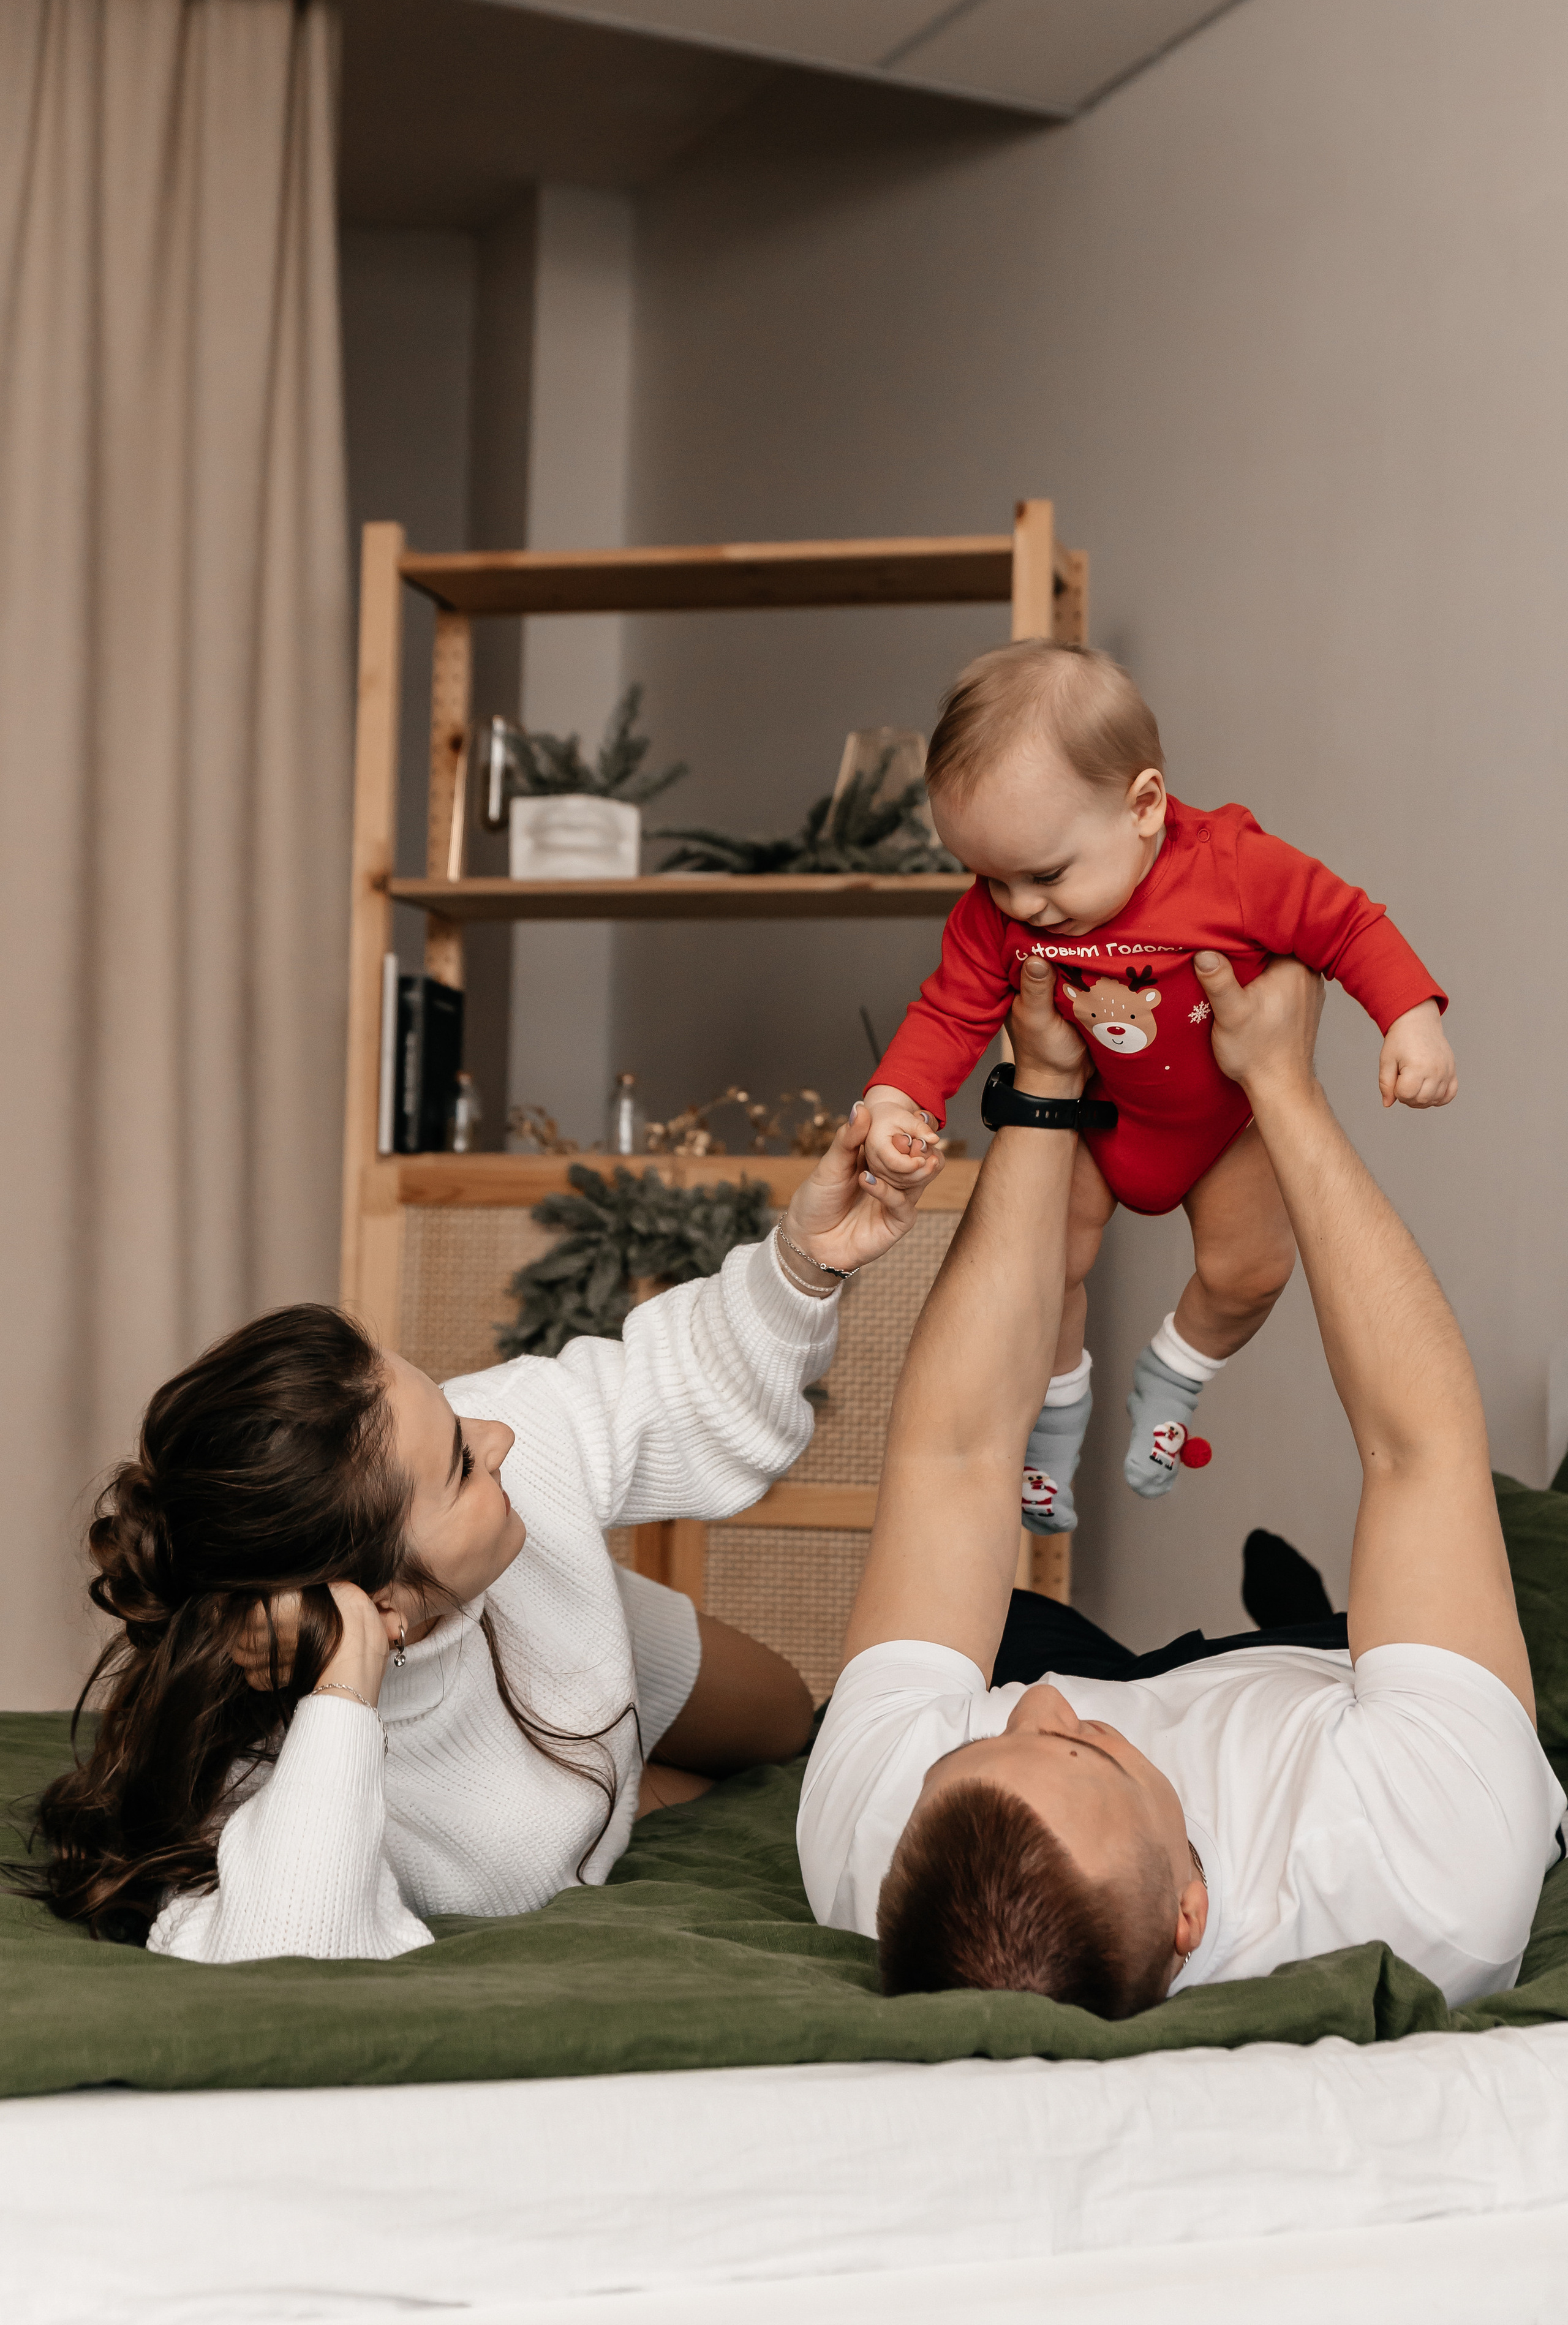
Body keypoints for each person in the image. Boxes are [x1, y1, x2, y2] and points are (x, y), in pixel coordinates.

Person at [798, 952, 1564, 2015]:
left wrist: (1044, 1085)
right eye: (1079, 1753)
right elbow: (1416, 1447)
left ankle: (1260, 1639)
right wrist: (1282, 1084)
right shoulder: (1420, 1871)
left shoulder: (876, 1845)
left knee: (1011, 1637)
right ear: (1187, 1917)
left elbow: (958, 1453)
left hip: (1152, 1703)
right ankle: (1305, 1626)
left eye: (992, 1747)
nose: (1049, 1712)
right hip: (1320, 1704)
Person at [23, 1105, 940, 1960]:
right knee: (714, 1804)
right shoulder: (261, 1780)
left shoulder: (490, 1432)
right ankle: (618, 1785)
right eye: (462, 1464)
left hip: (568, 1620)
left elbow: (676, 1385)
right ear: (376, 1597)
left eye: (456, 1419)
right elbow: (292, 1950)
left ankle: (609, 1725)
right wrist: (344, 1690)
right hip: (487, 1709)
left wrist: (807, 1260)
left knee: (785, 1716)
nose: (496, 1436)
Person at [860, 640, 1455, 1536]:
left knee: (1250, 1274)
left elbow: (1348, 926)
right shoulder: (998, 913)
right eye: (990, 878)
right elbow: (948, 1013)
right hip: (1102, 1120)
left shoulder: (1232, 868)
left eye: (1046, 876)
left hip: (1226, 1128)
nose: (1017, 906)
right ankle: (1055, 1427)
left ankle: (1174, 1377)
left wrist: (1411, 1016)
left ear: (1143, 805)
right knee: (1044, 1269)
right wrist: (901, 1099)